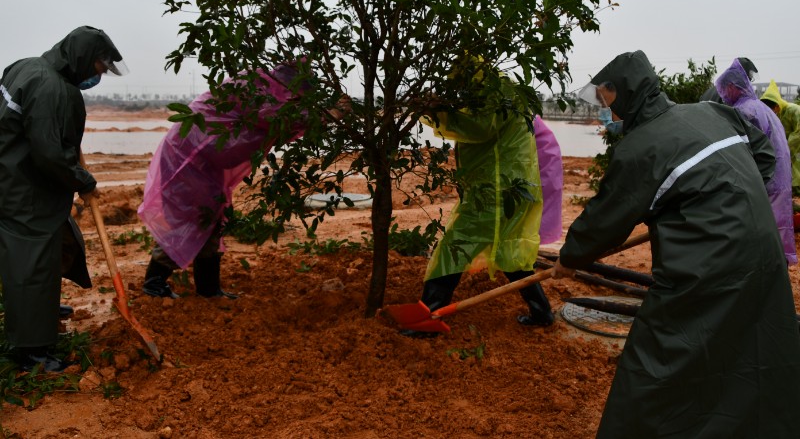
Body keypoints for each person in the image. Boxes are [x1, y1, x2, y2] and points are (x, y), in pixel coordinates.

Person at [553, 50, 800, 438]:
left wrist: (570, 258)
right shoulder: (712, 113)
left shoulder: (642, 147)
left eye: (608, 101)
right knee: (749, 349)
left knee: (659, 358)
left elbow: (605, 220)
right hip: (763, 253)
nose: (607, 112)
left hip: (709, 268)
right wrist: (707, 200)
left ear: (628, 94)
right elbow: (764, 158)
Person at [138, 62, 350, 299]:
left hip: (203, 161)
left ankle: (208, 289)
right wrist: (327, 114)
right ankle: (154, 284)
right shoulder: (255, 89)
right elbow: (275, 117)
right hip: (189, 159)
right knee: (192, 217)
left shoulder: (264, 87)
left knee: (212, 216)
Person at [400, 59, 562, 338]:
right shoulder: (499, 87)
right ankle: (542, 312)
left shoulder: (496, 91)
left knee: (455, 246)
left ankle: (429, 315)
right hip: (506, 188)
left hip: (496, 192)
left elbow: (478, 126)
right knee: (510, 254)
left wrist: (436, 110)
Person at [0, 26, 128, 372]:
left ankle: (40, 311)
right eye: (99, 68)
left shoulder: (26, 66)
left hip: (18, 177)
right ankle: (32, 352)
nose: (98, 75)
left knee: (56, 246)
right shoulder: (51, 88)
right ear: (83, 59)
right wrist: (82, 179)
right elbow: (49, 155)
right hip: (25, 188)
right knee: (33, 264)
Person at [715, 59, 796, 265]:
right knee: (775, 230)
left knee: (760, 234)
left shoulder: (744, 111)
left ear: (733, 87)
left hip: (766, 182)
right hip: (779, 180)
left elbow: (741, 154)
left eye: (725, 89)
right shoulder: (761, 108)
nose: (723, 95)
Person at [761, 79, 800, 196]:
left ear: (777, 106)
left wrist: (785, 150)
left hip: (795, 155)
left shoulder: (795, 110)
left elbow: (798, 133)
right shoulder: (776, 116)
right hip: (788, 157)